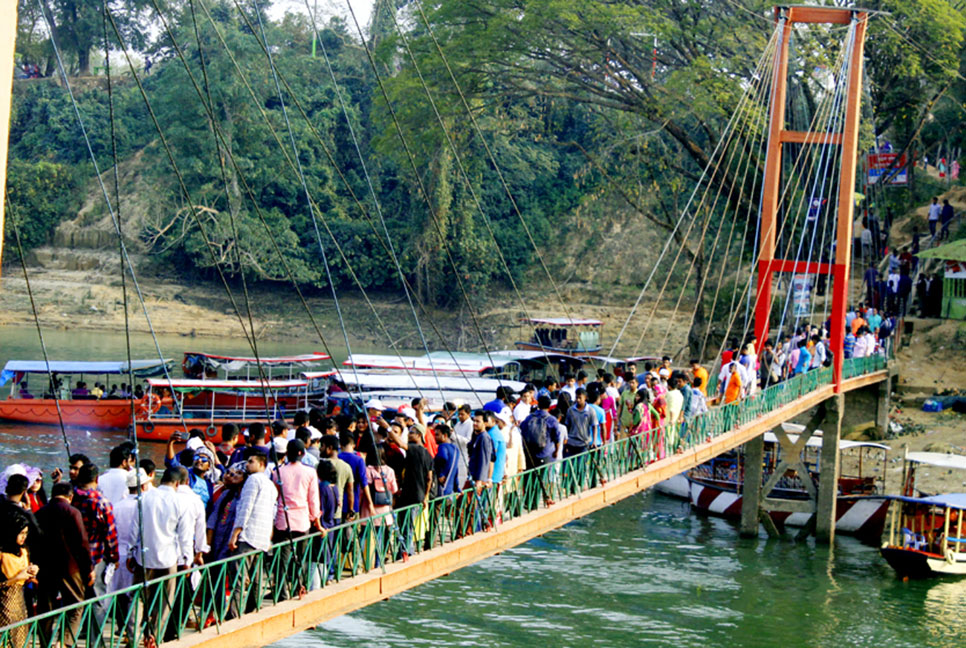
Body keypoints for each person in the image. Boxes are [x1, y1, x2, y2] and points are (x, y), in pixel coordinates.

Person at [129, 467, 192, 643]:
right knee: (164, 601)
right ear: (178, 483)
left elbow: (135, 528)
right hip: (168, 558)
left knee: (138, 599)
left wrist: (129, 552)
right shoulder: (181, 502)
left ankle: (133, 636)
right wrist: (187, 559)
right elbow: (185, 535)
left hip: (144, 557)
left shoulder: (145, 497)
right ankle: (155, 637)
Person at [34, 483, 89, 645]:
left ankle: (45, 642)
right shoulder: (73, 513)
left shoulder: (40, 513)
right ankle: (64, 642)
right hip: (70, 567)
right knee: (76, 605)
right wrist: (88, 568)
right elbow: (82, 543)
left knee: (46, 607)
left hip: (45, 567)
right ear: (70, 497)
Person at [72, 464, 118, 607]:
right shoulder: (102, 503)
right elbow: (110, 533)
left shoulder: (71, 498)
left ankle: (75, 628)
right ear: (96, 479)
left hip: (73, 555)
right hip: (95, 556)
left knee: (76, 597)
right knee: (97, 597)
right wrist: (114, 557)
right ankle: (94, 629)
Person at [0, 512, 38, 647]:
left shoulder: (23, 551)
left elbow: (26, 577)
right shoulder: (2, 555)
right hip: (4, 606)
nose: (24, 537)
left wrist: (31, 573)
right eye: (21, 533)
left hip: (20, 606)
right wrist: (16, 578)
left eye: (26, 533)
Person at [228, 452, 278, 555]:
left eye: (251, 462)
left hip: (248, 536)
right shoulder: (271, 485)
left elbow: (246, 508)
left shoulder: (253, 479)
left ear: (261, 464)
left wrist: (235, 534)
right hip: (262, 539)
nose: (247, 464)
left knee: (240, 570)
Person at [563, 388, 594, 457]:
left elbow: (594, 425)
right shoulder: (570, 410)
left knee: (581, 465)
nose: (578, 400)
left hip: (583, 443)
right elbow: (567, 426)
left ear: (585, 398)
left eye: (580, 398)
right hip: (571, 442)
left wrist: (594, 441)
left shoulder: (590, 411)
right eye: (576, 397)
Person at [433, 425, 460, 497]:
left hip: (441, 489)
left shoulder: (442, 446)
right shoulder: (456, 449)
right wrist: (457, 488)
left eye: (437, 435)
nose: (435, 437)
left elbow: (442, 457)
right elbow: (456, 470)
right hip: (449, 490)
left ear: (445, 435)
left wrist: (440, 474)